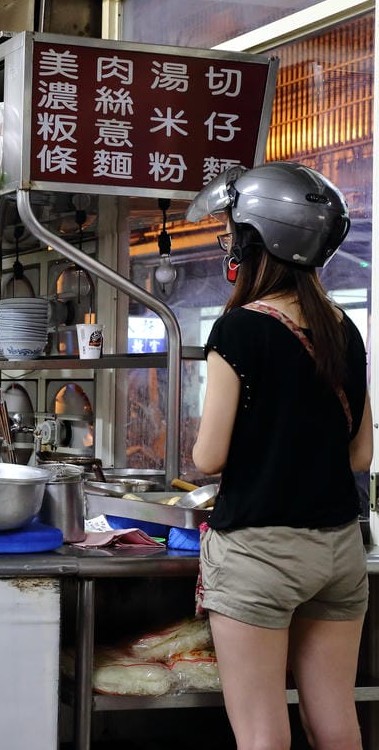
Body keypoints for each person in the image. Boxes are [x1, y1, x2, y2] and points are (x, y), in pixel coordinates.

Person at [188, 162, 372, 750]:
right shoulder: (346, 329)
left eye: (234, 231)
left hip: (260, 554)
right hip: (339, 551)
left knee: (263, 734)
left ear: (257, 240)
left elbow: (209, 456)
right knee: (336, 722)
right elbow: (360, 451)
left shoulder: (238, 329)